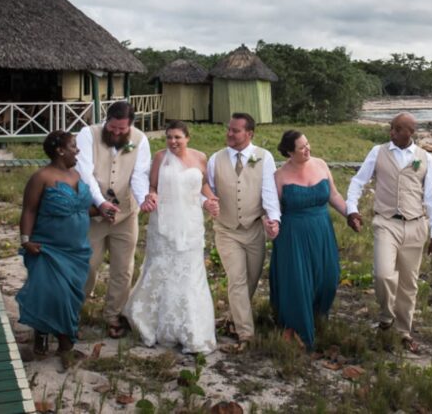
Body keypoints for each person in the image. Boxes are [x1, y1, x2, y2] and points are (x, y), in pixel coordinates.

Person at [346, 112, 432, 353]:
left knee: (409, 284)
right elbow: (358, 182)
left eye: (397, 129)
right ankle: (386, 314)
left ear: (410, 132)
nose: (391, 132)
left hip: (415, 225)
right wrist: (352, 210)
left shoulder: (425, 158)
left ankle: (403, 331)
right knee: (382, 274)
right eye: (391, 128)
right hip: (386, 221)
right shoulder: (378, 152)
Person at [123, 121, 219, 353]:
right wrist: (151, 196)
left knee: (191, 275)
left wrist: (212, 201)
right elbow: (153, 185)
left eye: (177, 137)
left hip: (191, 223)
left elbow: (203, 185)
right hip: (164, 223)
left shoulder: (201, 158)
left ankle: (193, 329)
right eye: (169, 138)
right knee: (161, 270)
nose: (173, 142)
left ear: (188, 137)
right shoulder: (160, 157)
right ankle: (155, 324)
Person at [75, 101, 151, 339]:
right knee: (87, 264)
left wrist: (144, 198)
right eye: (113, 128)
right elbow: (84, 172)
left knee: (123, 268)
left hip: (126, 215)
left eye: (122, 129)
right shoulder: (88, 134)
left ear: (130, 125)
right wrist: (99, 203)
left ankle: (113, 315)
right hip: (94, 213)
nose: (116, 133)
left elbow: (139, 175)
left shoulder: (140, 140)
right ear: (106, 120)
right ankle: (73, 311)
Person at [206, 113, 281, 353]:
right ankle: (246, 334)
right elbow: (206, 190)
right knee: (237, 279)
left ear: (249, 134)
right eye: (228, 129)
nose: (229, 133)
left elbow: (269, 191)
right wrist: (207, 202)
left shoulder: (264, 157)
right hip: (226, 229)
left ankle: (232, 319)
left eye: (235, 130)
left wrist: (273, 219)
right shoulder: (215, 159)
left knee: (251, 279)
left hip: (254, 229)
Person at [16, 130, 94, 356]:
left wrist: (100, 210)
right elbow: (29, 210)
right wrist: (26, 240)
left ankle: (54, 337)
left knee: (69, 296)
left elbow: (81, 207)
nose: (77, 150)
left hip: (77, 249)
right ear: (60, 151)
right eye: (73, 146)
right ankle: (62, 341)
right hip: (49, 247)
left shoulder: (77, 175)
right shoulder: (41, 177)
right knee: (51, 293)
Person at [270, 130, 346, 350]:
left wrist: (350, 214)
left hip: (322, 229)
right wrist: (271, 224)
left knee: (329, 277)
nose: (307, 149)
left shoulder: (321, 164)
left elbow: (334, 195)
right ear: (289, 152)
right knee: (298, 281)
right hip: (293, 233)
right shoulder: (279, 176)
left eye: (307, 144)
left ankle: (318, 314)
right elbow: (272, 209)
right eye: (301, 147)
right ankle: (295, 326)